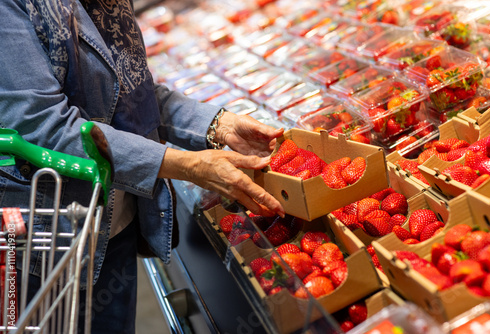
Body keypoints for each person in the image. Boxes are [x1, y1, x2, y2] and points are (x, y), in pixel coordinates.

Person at [0, 0, 285, 333]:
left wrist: (217, 124)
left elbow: (132, 93)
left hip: (115, 222)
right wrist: (189, 165)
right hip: (46, 242)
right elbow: (45, 127)